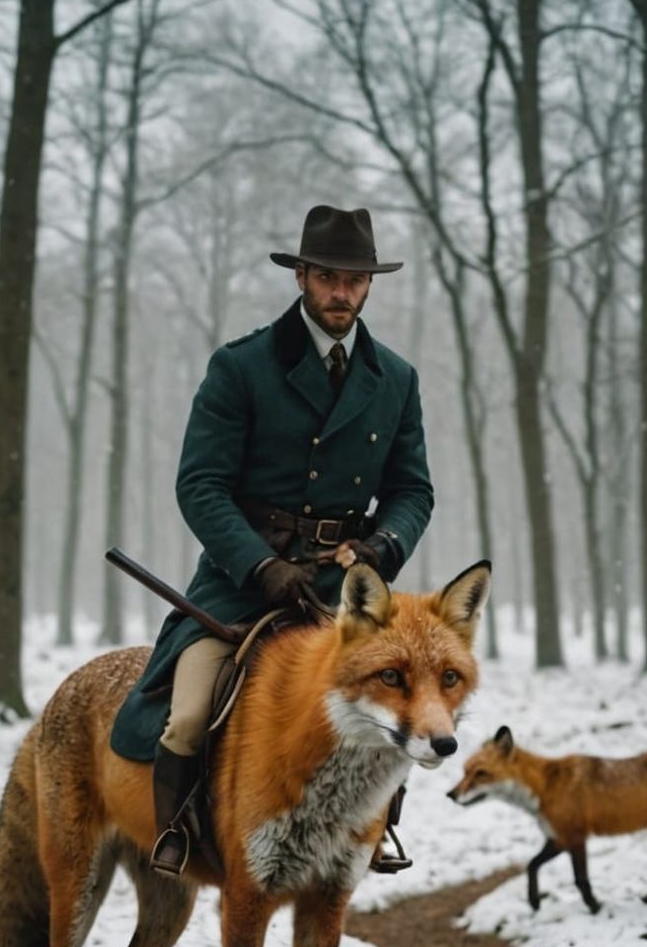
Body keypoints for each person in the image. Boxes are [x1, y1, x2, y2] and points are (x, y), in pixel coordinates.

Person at [109, 204, 435, 875]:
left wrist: (380, 548)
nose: (340, 291)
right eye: (326, 277)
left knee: (400, 706)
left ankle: (375, 830)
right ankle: (177, 834)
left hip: (345, 593)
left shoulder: (396, 380)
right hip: (240, 583)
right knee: (189, 716)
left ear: (369, 285)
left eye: (353, 279)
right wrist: (259, 565)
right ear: (302, 279)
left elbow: (412, 491)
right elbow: (200, 485)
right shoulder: (241, 368)